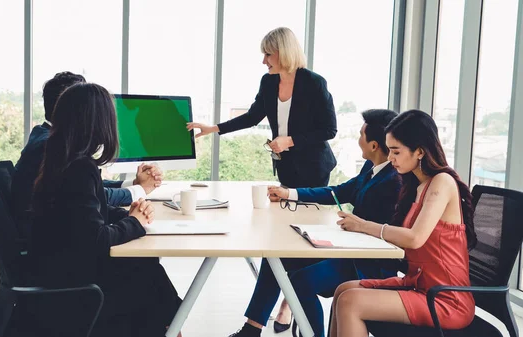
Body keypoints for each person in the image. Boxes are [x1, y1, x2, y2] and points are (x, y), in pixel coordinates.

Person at [227, 109, 402, 337]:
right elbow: (338, 192)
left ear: (374, 146)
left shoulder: (393, 181)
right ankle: (252, 330)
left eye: (361, 134)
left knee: (302, 281)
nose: (358, 138)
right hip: (348, 249)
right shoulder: (372, 169)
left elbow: (382, 233)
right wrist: (289, 193)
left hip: (364, 264)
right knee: (276, 255)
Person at [26, 82, 181, 337]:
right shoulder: (79, 168)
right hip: (72, 284)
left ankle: (170, 326)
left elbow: (82, 214)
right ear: (98, 123)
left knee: (148, 268)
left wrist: (128, 214)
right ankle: (172, 326)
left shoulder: (63, 158)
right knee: (148, 275)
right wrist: (134, 222)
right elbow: (94, 239)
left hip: (55, 269)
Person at [330, 110, 477, 337]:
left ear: (419, 151)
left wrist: (363, 225)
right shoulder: (415, 186)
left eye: (396, 151)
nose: (390, 158)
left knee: (350, 301)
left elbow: (415, 238)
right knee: (343, 290)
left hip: (446, 298)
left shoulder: (442, 182)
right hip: (419, 285)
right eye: (389, 151)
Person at [11, 71, 162, 238]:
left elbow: (86, 200)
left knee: (145, 261)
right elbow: (94, 233)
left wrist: (130, 212)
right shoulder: (54, 150)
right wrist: (135, 215)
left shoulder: (53, 142)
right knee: (145, 262)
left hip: (53, 243)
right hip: (57, 248)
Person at [187, 27, 337, 188]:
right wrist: (213, 128)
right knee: (285, 212)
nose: (264, 61)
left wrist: (290, 141)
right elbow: (252, 117)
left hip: (314, 168)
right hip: (285, 167)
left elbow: (329, 130)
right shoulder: (268, 82)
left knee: (308, 212)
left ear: (284, 52)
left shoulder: (314, 83)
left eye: (268, 54)